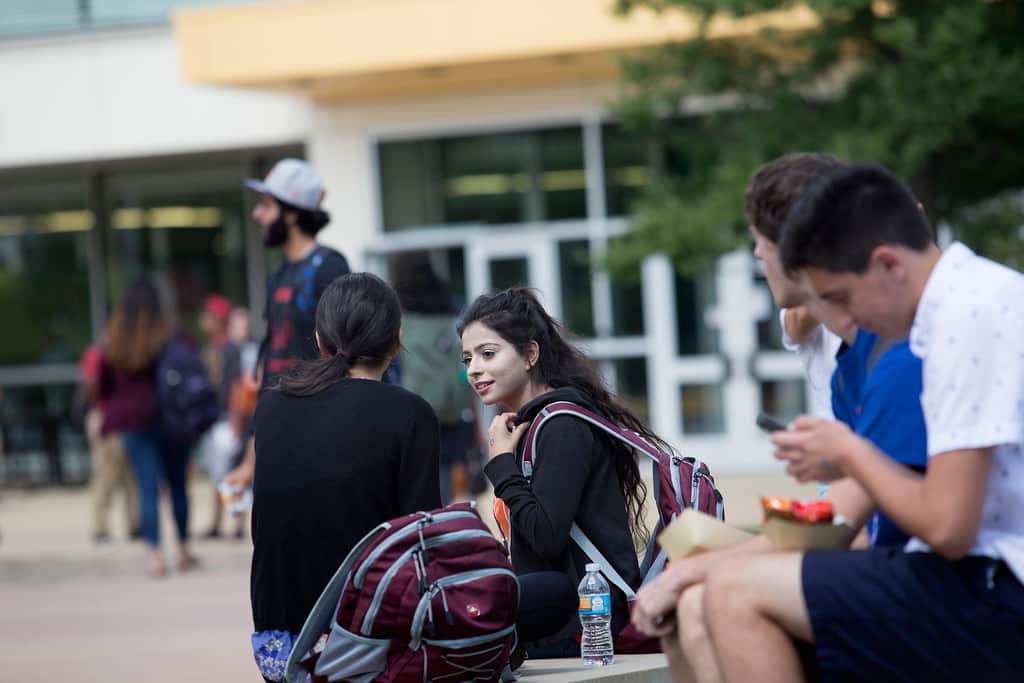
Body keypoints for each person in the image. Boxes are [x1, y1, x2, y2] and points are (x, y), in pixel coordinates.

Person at [634, 163, 1024, 682]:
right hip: (974, 575)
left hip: (995, 586)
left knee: (730, 592)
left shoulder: (950, 326)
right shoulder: (958, 305)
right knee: (709, 590)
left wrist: (848, 453)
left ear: (886, 261)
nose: (847, 318)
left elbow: (946, 529)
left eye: (837, 296)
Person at [249, 273, 441, 682]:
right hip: (360, 643)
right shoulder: (410, 413)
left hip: (276, 645)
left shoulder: (271, 407)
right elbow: (422, 542)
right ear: (396, 339)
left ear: (320, 338)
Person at [458, 287, 655, 660]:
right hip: (557, 622)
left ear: (530, 354)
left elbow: (547, 536)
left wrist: (501, 464)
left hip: (583, 630)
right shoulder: (529, 426)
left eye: (488, 354)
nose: (474, 370)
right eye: (467, 359)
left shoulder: (562, 424)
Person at [222, 158, 350, 492]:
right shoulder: (278, 274)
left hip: (320, 431)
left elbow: (347, 355)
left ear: (292, 213)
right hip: (281, 427)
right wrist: (249, 462)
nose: (257, 215)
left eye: (266, 205)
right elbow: (271, 372)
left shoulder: (329, 267)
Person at [99, 278, 197, 577]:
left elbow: (104, 384)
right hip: (169, 420)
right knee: (178, 485)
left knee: (147, 488)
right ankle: (181, 548)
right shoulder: (169, 334)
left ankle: (154, 554)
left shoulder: (114, 338)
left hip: (132, 423)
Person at [390, 251, 479, 504]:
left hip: (415, 411)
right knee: (454, 487)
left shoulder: (399, 314)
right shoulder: (450, 307)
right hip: (454, 410)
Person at [79, 342, 139, 543]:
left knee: (131, 475)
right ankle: (100, 528)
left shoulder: (131, 350)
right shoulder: (100, 353)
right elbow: (90, 386)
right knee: (106, 474)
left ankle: (135, 524)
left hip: (126, 419)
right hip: (106, 417)